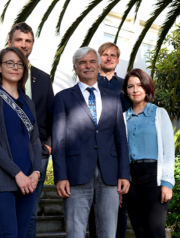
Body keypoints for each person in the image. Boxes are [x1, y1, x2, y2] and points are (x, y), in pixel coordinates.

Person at [0, 22, 54, 238]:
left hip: (30, 174)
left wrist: (35, 171)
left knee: (23, 231)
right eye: (9, 63)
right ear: (0, 67)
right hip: (2, 174)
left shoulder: (28, 101)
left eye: (19, 64)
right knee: (7, 233)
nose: (15, 67)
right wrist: (18, 174)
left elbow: (35, 138)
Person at [52, 46, 130, 238]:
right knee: (76, 232)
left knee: (108, 232)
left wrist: (124, 174)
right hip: (76, 172)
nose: (88, 66)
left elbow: (121, 138)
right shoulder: (63, 98)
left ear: (98, 65)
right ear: (75, 68)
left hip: (109, 174)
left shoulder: (114, 98)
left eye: (92, 61)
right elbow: (59, 140)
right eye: (82, 63)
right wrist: (60, 176)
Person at [122, 68, 175, 237]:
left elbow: (168, 150)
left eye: (139, 85)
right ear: (126, 91)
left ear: (147, 88)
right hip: (130, 179)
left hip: (154, 176)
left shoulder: (159, 113)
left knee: (155, 231)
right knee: (140, 231)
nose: (135, 90)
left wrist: (167, 182)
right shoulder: (123, 118)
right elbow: (119, 153)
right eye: (131, 86)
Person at [89, 42, 130, 238]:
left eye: (112, 55)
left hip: (116, 148)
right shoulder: (90, 81)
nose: (108, 58)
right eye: (104, 55)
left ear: (117, 60)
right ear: (99, 58)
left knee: (119, 205)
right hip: (93, 148)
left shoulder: (125, 85)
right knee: (93, 206)